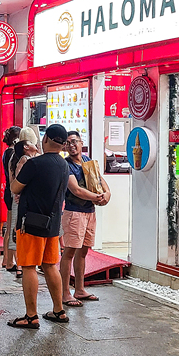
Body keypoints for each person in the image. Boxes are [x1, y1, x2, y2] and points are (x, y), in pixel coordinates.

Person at [8, 123, 71, 329]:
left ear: (45, 140)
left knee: (28, 267)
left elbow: (15, 187)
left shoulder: (34, 164)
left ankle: (31, 315)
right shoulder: (64, 165)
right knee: (50, 265)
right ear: (62, 145)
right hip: (53, 224)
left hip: (31, 222)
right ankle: (59, 310)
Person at [60, 130, 111, 307]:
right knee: (69, 252)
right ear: (64, 147)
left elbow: (99, 179)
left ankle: (79, 289)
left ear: (81, 143)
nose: (72, 145)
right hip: (74, 212)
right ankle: (65, 292)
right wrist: (96, 198)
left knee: (83, 251)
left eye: (75, 141)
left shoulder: (88, 161)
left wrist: (107, 193)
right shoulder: (65, 165)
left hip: (89, 212)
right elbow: (76, 190)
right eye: (68, 143)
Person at [5, 139, 38, 278]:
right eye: (31, 141)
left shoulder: (19, 158)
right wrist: (19, 193)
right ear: (26, 147)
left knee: (16, 229)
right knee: (20, 230)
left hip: (17, 197)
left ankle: (15, 263)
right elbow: (19, 179)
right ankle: (20, 265)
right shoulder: (25, 160)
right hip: (21, 200)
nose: (34, 144)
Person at [0, 125, 22, 274]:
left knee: (9, 227)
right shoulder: (13, 153)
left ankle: (6, 259)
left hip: (8, 190)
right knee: (13, 227)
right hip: (13, 192)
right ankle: (9, 261)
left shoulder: (6, 152)